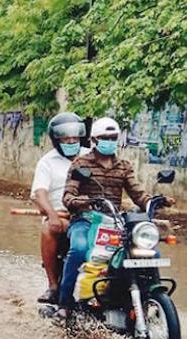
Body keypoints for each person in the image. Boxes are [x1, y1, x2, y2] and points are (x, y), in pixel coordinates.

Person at [58, 117, 174, 309]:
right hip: (86, 220)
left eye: (113, 137)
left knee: (149, 251)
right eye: (105, 137)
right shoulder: (81, 164)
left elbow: (138, 194)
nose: (110, 141)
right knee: (78, 249)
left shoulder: (123, 166)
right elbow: (68, 196)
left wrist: (154, 201)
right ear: (94, 140)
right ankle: (65, 304)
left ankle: (150, 298)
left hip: (115, 222)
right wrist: (84, 202)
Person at [30, 112, 88, 304]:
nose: (71, 141)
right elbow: (39, 194)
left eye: (75, 137)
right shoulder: (47, 162)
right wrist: (52, 215)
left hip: (93, 216)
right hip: (62, 216)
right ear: (56, 139)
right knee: (48, 229)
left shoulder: (91, 156)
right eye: (66, 137)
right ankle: (54, 286)